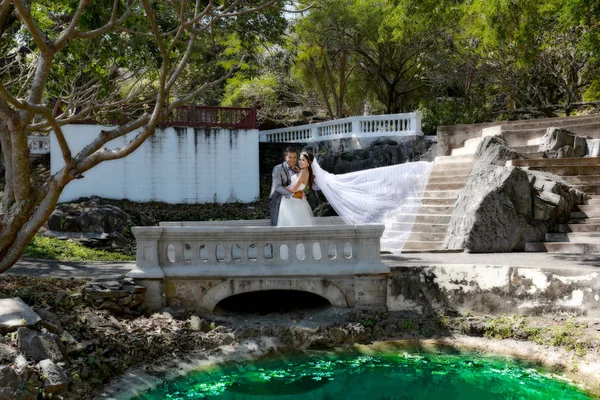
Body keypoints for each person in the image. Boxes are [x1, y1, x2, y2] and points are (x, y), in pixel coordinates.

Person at [277, 151, 316, 227]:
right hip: (296, 200)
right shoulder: (305, 171)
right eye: (300, 159)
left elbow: (293, 189)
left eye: (303, 160)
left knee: (292, 224)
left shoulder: (303, 172)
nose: (300, 162)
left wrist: (281, 186)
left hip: (294, 202)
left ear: (309, 162)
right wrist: (299, 171)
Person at [270, 147, 303, 226]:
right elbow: (277, 186)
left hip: (293, 202)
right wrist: (293, 195)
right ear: (285, 158)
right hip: (279, 200)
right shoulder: (278, 168)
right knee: (277, 225)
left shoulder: (297, 169)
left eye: (295, 157)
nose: (292, 160)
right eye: (290, 157)